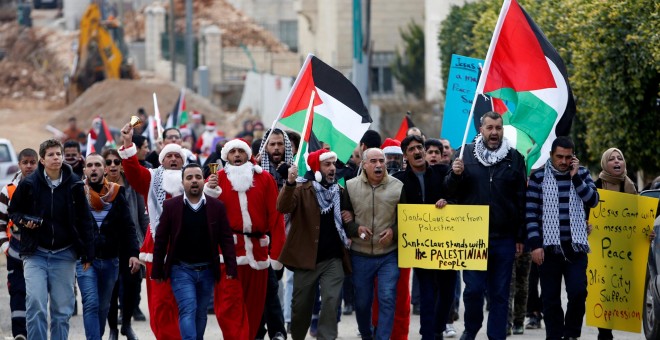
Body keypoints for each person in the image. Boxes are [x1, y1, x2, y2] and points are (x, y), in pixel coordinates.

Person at [445, 111, 527, 340]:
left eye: (498, 128)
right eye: (489, 128)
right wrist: (455, 174)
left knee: (500, 294)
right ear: (480, 130)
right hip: (472, 237)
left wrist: (521, 237)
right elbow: (449, 191)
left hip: (504, 238)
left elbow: (521, 198)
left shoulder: (515, 158)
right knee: (472, 291)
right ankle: (471, 329)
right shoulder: (464, 154)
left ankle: (496, 335)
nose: (494, 133)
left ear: (502, 130)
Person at [8, 139, 95, 340]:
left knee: (61, 312)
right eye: (51, 155)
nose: (56, 158)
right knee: (36, 305)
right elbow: (14, 212)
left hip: (65, 255)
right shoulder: (29, 184)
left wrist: (89, 252)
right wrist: (25, 221)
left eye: (58, 154)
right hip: (35, 254)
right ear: (42, 160)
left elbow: (85, 220)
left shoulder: (74, 184)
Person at [204, 138, 286, 339]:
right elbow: (204, 215)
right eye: (233, 152)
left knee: (254, 309)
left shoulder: (265, 179)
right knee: (227, 306)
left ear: (249, 154)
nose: (237, 155)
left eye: (241, 151)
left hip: (258, 254)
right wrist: (209, 191)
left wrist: (277, 255)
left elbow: (276, 218)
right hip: (228, 254)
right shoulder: (216, 179)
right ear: (226, 156)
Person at [152, 163, 238, 340]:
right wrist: (157, 269)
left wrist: (231, 267)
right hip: (181, 270)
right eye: (189, 178)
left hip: (207, 270)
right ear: (182, 182)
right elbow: (161, 240)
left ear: (203, 180)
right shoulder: (171, 206)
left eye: (198, 177)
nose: (194, 181)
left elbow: (226, 238)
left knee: (200, 313)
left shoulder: (216, 206)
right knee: (188, 308)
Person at [526, 136, 599, 340]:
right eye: (560, 157)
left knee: (578, 293)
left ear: (573, 158)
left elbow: (593, 201)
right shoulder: (539, 177)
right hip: (548, 250)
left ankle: (571, 334)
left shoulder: (582, 173)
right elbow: (531, 213)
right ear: (551, 155)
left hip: (576, 248)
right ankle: (555, 336)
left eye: (568, 157)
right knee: (550, 300)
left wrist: (576, 177)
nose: (564, 162)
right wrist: (535, 245)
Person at [118, 123, 186, 340]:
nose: (173, 159)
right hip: (158, 248)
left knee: (186, 302)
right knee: (160, 302)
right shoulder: (151, 178)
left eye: (177, 156)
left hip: (188, 250)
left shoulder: (193, 179)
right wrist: (128, 144)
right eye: (169, 156)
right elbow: (132, 172)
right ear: (161, 160)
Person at [277, 148, 350, 339]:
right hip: (306, 259)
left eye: (333, 164)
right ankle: (298, 336)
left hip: (333, 258)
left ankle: (326, 337)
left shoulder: (339, 191)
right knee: (301, 306)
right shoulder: (301, 189)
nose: (333, 168)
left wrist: (351, 220)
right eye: (327, 164)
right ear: (317, 168)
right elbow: (282, 207)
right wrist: (290, 183)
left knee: (331, 300)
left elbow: (348, 219)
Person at [394, 135, 456, 340]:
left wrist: (447, 200)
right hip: (420, 247)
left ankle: (437, 328)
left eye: (419, 147)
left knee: (447, 293)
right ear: (406, 155)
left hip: (446, 243)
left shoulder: (442, 172)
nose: (417, 151)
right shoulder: (399, 180)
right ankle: (428, 334)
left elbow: (458, 192)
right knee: (428, 294)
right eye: (411, 149)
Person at [78, 153, 141, 340]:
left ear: (104, 169)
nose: (94, 168)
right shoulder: (77, 193)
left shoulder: (116, 192)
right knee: (90, 303)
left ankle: (102, 333)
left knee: (104, 306)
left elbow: (129, 226)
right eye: (90, 165)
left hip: (111, 259)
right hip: (86, 261)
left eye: (98, 165)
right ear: (85, 170)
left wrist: (133, 253)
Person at [343, 148, 404, 340]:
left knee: (387, 297)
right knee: (362, 302)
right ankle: (367, 334)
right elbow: (344, 218)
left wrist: (394, 231)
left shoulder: (398, 186)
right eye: (374, 161)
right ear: (364, 164)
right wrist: (356, 229)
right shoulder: (350, 186)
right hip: (360, 255)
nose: (378, 165)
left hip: (388, 255)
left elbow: (406, 218)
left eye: (381, 161)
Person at [103, 148, 149, 340]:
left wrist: (146, 242)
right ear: (104, 167)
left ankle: (127, 325)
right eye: (109, 162)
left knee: (131, 287)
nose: (113, 165)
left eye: (116, 161)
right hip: (108, 246)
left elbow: (142, 216)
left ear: (122, 165)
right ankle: (113, 329)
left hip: (132, 244)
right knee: (111, 291)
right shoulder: (99, 187)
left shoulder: (133, 186)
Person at [593, 147, 637, 340]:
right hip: (599, 250)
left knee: (617, 289)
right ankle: (604, 333)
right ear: (604, 163)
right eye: (612, 159)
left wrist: (647, 232)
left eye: (620, 158)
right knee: (602, 290)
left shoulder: (631, 187)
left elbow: (639, 219)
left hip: (623, 250)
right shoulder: (595, 186)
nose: (617, 162)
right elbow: (585, 213)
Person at [256, 128, 292, 339]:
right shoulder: (256, 171)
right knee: (269, 286)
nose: (276, 148)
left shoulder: (294, 170)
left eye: (280, 144)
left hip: (291, 235)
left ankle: (278, 327)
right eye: (272, 144)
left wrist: (290, 180)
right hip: (264, 238)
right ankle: (271, 330)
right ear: (266, 147)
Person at [0, 148, 38, 340]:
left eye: (33, 162)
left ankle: (34, 332)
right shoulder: (8, 190)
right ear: (20, 164)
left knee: (36, 295)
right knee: (17, 291)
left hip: (39, 252)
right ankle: (19, 334)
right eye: (26, 162)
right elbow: (0, 222)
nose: (29, 166)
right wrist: (5, 247)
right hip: (15, 251)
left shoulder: (45, 188)